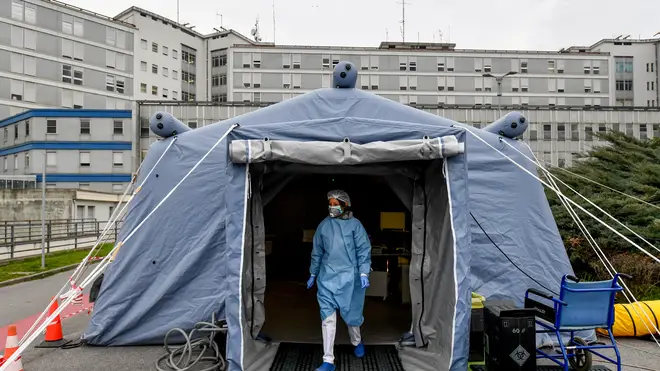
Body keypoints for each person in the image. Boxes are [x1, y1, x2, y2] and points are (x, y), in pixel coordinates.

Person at [306, 190, 372, 371]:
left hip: (350, 279)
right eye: (330, 203)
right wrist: (313, 273)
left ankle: (357, 341)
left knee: (352, 316)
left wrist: (364, 273)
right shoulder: (323, 226)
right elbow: (317, 251)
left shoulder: (355, 226)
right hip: (327, 278)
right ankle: (328, 360)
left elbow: (363, 250)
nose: (332, 207)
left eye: (336, 204)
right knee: (327, 318)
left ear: (345, 205)